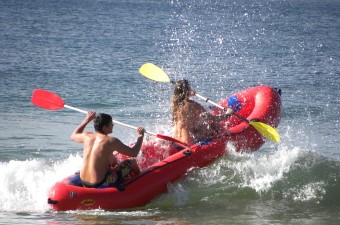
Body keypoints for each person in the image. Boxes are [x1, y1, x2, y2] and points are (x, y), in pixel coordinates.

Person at [71, 111, 145, 189]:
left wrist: (87, 119)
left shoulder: (87, 136)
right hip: (99, 184)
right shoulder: (111, 141)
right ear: (105, 127)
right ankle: (139, 183)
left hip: (83, 182)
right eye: (111, 124)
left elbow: (73, 136)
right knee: (132, 162)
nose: (113, 125)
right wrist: (140, 135)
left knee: (111, 157)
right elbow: (134, 153)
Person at [171, 79, 241, 147]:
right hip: (189, 143)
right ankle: (228, 135)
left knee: (199, 124)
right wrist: (228, 114)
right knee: (211, 124)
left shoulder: (175, 105)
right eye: (189, 87)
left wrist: (189, 93)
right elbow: (213, 119)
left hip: (178, 142)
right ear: (187, 90)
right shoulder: (192, 105)